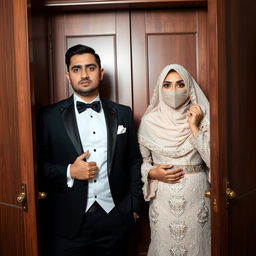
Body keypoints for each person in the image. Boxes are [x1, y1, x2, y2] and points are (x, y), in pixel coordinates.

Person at [37, 44, 143, 256]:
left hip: (115, 218)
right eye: (76, 69)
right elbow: (36, 168)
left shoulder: (122, 113)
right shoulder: (48, 116)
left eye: (90, 68)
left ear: (100, 73)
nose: (84, 75)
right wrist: (69, 172)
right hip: (67, 222)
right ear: (67, 75)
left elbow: (133, 161)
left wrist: (135, 205)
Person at [138, 64, 211, 256]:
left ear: (189, 87)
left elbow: (214, 161)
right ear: (159, 89)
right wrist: (152, 172)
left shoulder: (202, 117)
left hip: (197, 197)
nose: (174, 91)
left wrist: (194, 126)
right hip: (163, 198)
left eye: (180, 85)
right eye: (167, 85)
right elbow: (142, 162)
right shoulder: (149, 121)